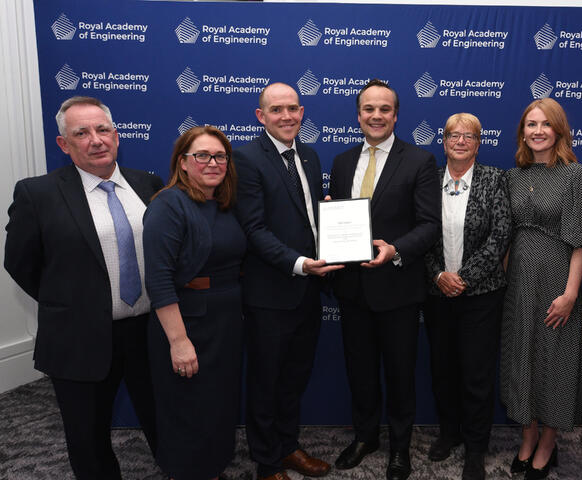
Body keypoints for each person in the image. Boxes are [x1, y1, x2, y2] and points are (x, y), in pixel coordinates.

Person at [4, 96, 162, 479]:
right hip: (79, 336)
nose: (96, 140)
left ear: (117, 136)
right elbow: (20, 263)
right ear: (64, 143)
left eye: (103, 130)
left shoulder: (148, 184)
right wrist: (73, 301)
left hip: (149, 332)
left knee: (164, 419)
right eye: (82, 133)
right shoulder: (36, 194)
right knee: (87, 435)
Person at [329, 79, 441, 480]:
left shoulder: (420, 161)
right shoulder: (341, 162)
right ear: (358, 115)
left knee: (399, 373)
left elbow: (430, 225)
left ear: (396, 115)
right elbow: (339, 218)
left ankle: (399, 447)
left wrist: (395, 249)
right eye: (368, 109)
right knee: (359, 369)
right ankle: (365, 436)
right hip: (352, 289)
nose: (376, 116)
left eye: (384, 110)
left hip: (398, 289)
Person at [235, 82, 339, 480]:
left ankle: (288, 446)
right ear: (261, 116)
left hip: (307, 293)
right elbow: (254, 229)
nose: (286, 116)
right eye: (276, 110)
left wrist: (328, 220)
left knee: (294, 378)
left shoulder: (309, 156)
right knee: (265, 383)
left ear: (302, 111)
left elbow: (304, 216)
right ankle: (266, 463)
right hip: (270, 294)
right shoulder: (245, 159)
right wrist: (299, 263)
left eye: (293, 108)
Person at [500, 98, 582, 480]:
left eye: (545, 124)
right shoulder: (514, 176)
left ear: (559, 130)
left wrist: (572, 293)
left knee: (555, 361)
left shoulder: (578, 175)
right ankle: (527, 439)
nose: (537, 131)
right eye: (530, 124)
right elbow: (508, 236)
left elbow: (580, 244)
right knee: (520, 358)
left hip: (559, 280)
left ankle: (547, 445)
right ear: (522, 131)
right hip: (519, 283)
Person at [143, 126, 245, 480]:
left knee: (217, 409)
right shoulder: (168, 205)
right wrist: (178, 340)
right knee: (188, 411)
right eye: (202, 155)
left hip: (226, 320)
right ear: (183, 163)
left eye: (220, 156)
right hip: (187, 323)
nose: (213, 162)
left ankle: (211, 470)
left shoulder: (225, 202)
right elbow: (158, 279)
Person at [423, 113, 511, 480]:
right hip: (436, 293)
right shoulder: (428, 181)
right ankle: (449, 433)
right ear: (442, 141)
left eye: (469, 135)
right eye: (453, 135)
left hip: (481, 296)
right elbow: (418, 231)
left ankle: (476, 447)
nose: (460, 141)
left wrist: (464, 279)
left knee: (476, 373)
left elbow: (500, 234)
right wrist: (439, 275)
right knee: (443, 369)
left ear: (479, 142)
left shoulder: (494, 179)